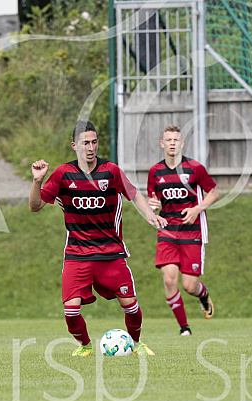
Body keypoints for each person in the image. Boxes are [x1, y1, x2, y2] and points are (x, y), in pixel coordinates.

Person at [29, 120, 168, 356]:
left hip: (110, 253)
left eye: (94, 142)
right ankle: (85, 346)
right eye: (85, 143)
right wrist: (37, 180)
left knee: (131, 307)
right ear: (75, 145)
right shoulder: (63, 174)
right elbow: (35, 206)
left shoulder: (111, 171)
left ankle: (136, 344)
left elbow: (134, 194)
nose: (90, 147)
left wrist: (150, 215)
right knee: (71, 312)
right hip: (77, 254)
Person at [147, 125, 219, 336]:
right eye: (168, 139)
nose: (172, 143)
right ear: (162, 144)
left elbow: (213, 193)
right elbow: (154, 201)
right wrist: (153, 207)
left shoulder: (195, 168)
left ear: (182, 144)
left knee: (189, 286)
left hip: (192, 232)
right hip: (167, 232)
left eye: (175, 140)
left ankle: (203, 295)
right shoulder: (155, 172)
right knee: (169, 279)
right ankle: (184, 328)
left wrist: (197, 209)